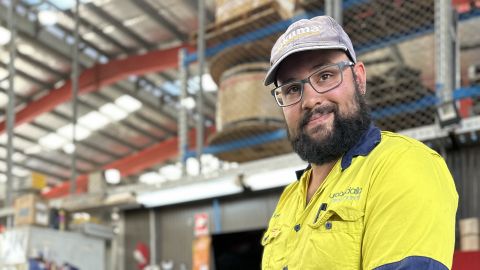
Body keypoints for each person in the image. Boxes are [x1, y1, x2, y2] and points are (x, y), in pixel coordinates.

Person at [261, 15, 458, 270]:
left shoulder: (403, 166)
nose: (309, 100)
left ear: (359, 78)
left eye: (325, 76)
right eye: (291, 89)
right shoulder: (289, 199)